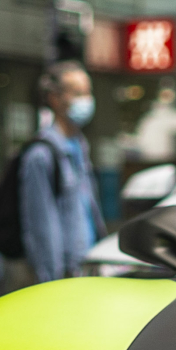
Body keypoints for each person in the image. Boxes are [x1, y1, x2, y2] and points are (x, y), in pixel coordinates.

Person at [20, 61, 105, 283]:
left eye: (88, 93)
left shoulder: (80, 146)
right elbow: (42, 227)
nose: (85, 100)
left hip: (88, 268)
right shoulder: (41, 155)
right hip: (66, 277)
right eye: (77, 93)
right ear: (55, 99)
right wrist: (52, 282)